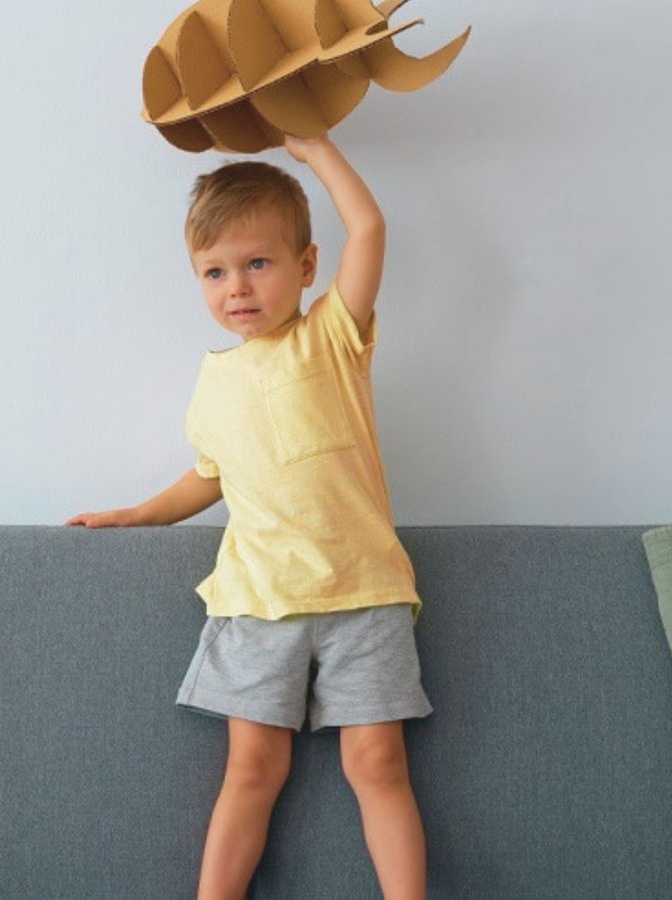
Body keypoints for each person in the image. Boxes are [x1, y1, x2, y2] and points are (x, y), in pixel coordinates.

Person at [67, 132, 430, 900]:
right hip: (258, 603)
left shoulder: (332, 339)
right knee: (252, 769)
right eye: (215, 271)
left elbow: (369, 229)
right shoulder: (214, 383)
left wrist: (317, 149)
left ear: (305, 267)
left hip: (363, 596)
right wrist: (138, 515)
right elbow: (211, 477)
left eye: (257, 264)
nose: (237, 287)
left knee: (378, 764)